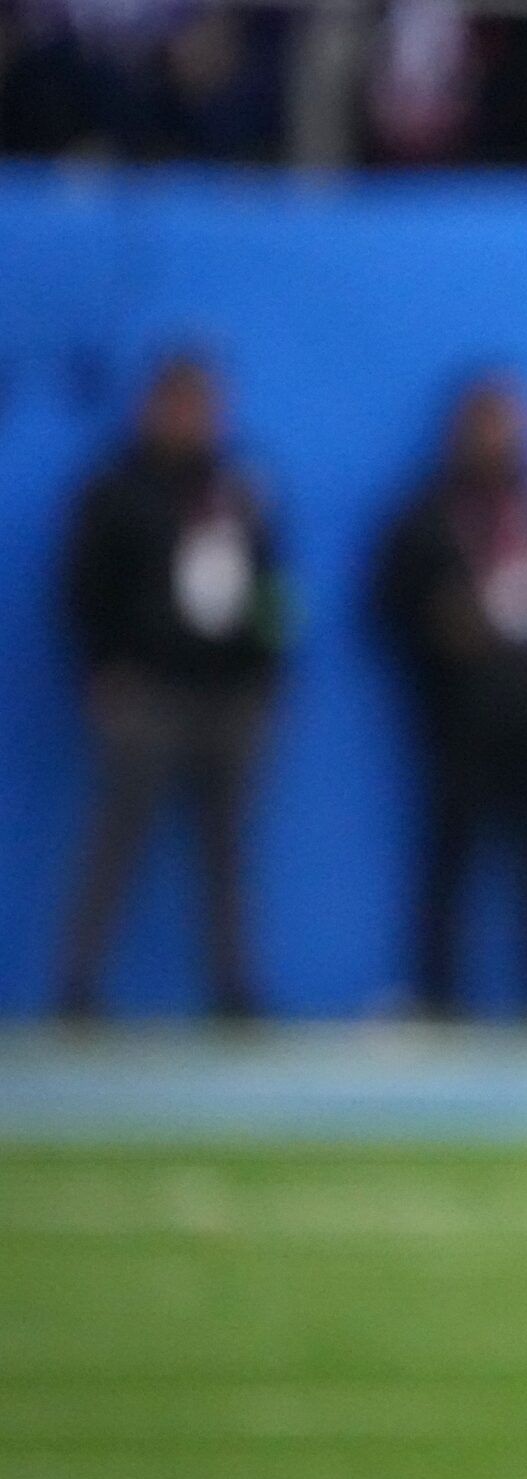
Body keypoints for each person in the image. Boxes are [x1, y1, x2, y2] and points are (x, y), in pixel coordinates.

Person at [56, 350, 285, 1020]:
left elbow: (274, 585)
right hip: (147, 690)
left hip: (231, 694)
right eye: (178, 405)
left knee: (228, 848)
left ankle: (234, 988)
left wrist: (271, 670)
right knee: (118, 838)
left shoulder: (242, 486)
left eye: (203, 406)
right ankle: (79, 984)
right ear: (151, 408)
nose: (191, 420)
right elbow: (83, 589)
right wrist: (102, 667)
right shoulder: (116, 488)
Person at [371, 372, 527, 1019]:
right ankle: (434, 993)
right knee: (447, 861)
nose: (502, 438)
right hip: (458, 720)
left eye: (513, 422)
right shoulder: (429, 514)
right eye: (489, 423)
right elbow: (390, 607)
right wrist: (440, 635)